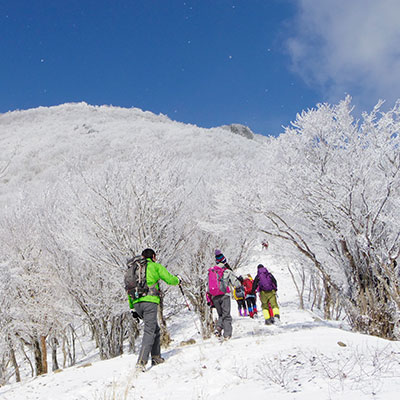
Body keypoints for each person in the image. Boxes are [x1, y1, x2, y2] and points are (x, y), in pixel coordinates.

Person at [128, 248, 181, 371]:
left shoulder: (133, 270)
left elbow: (129, 289)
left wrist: (132, 308)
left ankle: (156, 357)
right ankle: (141, 362)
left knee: (155, 329)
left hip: (136, 304)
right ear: (153, 256)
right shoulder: (154, 266)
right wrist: (178, 280)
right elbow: (169, 279)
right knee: (149, 331)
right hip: (149, 302)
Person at [208, 249, 241, 339]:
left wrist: (209, 300)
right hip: (224, 295)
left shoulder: (212, 272)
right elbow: (236, 283)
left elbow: (208, 288)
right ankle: (227, 335)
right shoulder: (226, 271)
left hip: (214, 296)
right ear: (224, 260)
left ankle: (218, 328)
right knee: (226, 315)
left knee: (221, 315)